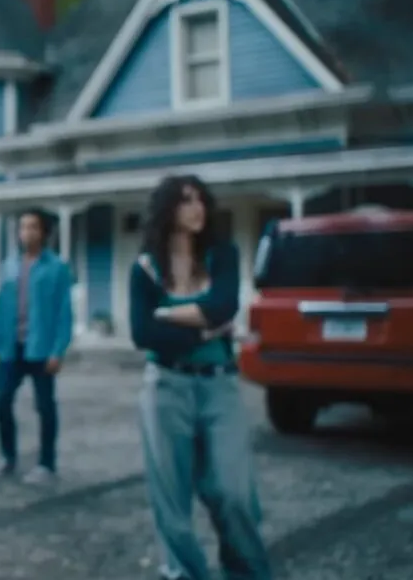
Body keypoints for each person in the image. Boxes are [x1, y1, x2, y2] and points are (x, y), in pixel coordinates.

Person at [129, 175, 270, 580]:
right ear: (167, 209)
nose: (197, 209)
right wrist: (205, 326)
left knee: (234, 493)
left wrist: (168, 314)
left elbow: (223, 305)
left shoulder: (221, 255)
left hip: (218, 386)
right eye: (185, 201)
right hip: (165, 389)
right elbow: (143, 334)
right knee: (171, 503)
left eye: (200, 200)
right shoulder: (145, 269)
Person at [0, 208, 73, 484]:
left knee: (45, 406)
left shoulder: (56, 267)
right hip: (11, 346)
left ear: (44, 233)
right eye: (23, 227)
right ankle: (7, 456)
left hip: (41, 348)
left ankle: (47, 463)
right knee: (2, 400)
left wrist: (58, 351)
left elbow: (64, 313)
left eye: (33, 227)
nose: (27, 233)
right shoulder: (10, 265)